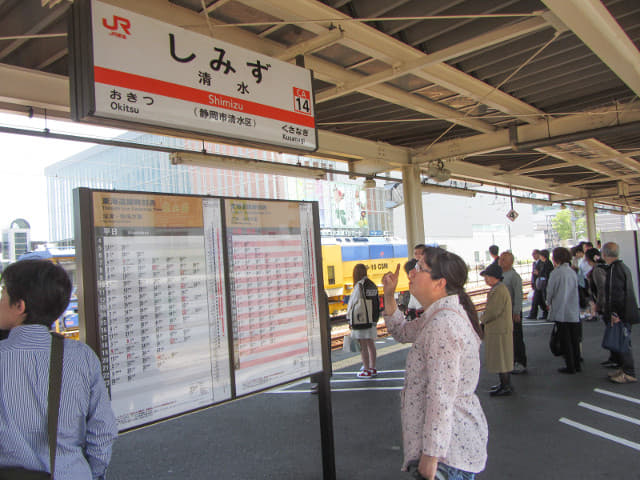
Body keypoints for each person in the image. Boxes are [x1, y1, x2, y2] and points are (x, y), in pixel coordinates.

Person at [0, 259, 117, 478]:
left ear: (20, 306)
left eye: (3, 295)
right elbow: (103, 430)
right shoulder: (82, 357)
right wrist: (87, 472)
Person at [382, 247, 487, 480]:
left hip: (447, 456)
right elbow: (401, 331)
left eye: (419, 268)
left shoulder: (444, 324)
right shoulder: (438, 315)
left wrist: (431, 457)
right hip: (449, 450)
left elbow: (442, 394)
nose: (411, 273)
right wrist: (389, 295)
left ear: (440, 283)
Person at [601, 242, 639, 383]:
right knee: (623, 341)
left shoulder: (613, 270)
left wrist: (614, 314)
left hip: (621, 313)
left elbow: (615, 294)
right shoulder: (623, 267)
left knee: (623, 342)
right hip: (627, 311)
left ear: (604, 254)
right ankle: (624, 369)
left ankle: (629, 372)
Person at [480, 263, 514, 396]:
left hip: (500, 330)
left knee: (502, 359)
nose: (485, 279)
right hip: (499, 329)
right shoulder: (499, 288)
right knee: (502, 358)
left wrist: (482, 320)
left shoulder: (499, 290)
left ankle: (506, 386)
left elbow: (493, 311)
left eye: (487, 276)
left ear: (495, 277)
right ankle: (504, 384)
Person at [546, 247, 581, 374]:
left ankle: (570, 366)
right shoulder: (572, 272)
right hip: (573, 309)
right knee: (574, 339)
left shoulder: (556, 273)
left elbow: (550, 291)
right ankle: (577, 364)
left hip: (561, 310)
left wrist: (548, 302)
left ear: (556, 258)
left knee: (565, 339)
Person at [347, 263, 380, 378]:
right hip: (371, 319)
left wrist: (349, 318)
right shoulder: (372, 284)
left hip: (361, 320)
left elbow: (353, 303)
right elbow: (376, 302)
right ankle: (373, 367)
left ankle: (366, 369)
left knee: (363, 346)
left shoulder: (359, 286)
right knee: (370, 343)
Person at [499, 252, 527, 375]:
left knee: (516, 338)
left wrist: (516, 312)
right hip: (503, 313)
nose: (501, 261)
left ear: (511, 262)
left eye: (504, 259)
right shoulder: (500, 275)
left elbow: (518, 295)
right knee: (507, 339)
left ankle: (520, 362)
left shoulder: (514, 276)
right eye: (500, 259)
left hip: (512, 313)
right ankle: (511, 361)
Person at [405, 244, 426, 320]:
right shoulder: (416, 266)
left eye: (420, 253)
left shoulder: (430, 267)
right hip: (415, 299)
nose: (417, 256)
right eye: (415, 253)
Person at [527, 249, 545, 319]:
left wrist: (539, 273)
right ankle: (545, 312)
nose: (533, 256)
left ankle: (533, 314)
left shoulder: (542, 263)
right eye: (532, 254)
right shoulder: (534, 263)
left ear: (538, 254)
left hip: (540, 284)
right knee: (540, 300)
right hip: (536, 284)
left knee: (536, 300)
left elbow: (543, 273)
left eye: (534, 254)